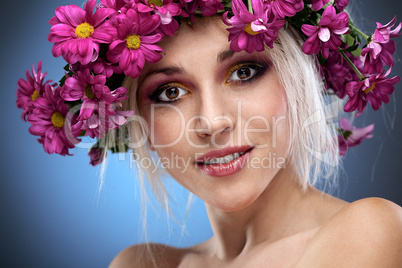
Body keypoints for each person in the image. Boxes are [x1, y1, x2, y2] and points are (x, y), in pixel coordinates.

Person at [16, 0, 402, 267]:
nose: (212, 123)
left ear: (301, 75)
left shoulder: (371, 230)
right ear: (137, 121)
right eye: (170, 93)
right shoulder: (140, 264)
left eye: (244, 72)